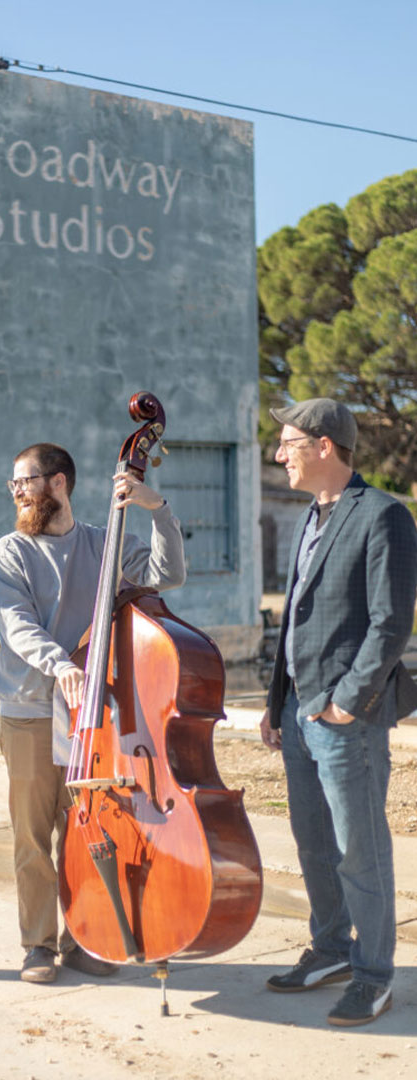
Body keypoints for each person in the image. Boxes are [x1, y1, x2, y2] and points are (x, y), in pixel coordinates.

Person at [0, 442, 186, 983]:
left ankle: (84, 938)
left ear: (58, 483)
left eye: (24, 481)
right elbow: (18, 626)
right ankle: (37, 944)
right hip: (30, 710)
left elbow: (166, 575)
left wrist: (156, 508)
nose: (17, 492)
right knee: (33, 835)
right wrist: (61, 665)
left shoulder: (105, 543)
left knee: (85, 831)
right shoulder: (10, 552)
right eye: (14, 485)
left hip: (91, 717)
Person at [260, 398, 417, 1027]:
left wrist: (348, 702)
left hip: (346, 718)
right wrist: (277, 705)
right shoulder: (311, 517)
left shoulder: (383, 515)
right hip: (299, 712)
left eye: (289, 443)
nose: (279, 455)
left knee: (360, 848)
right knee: (314, 843)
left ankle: (374, 974)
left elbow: (391, 621)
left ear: (325, 446)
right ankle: (330, 949)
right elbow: (297, 615)